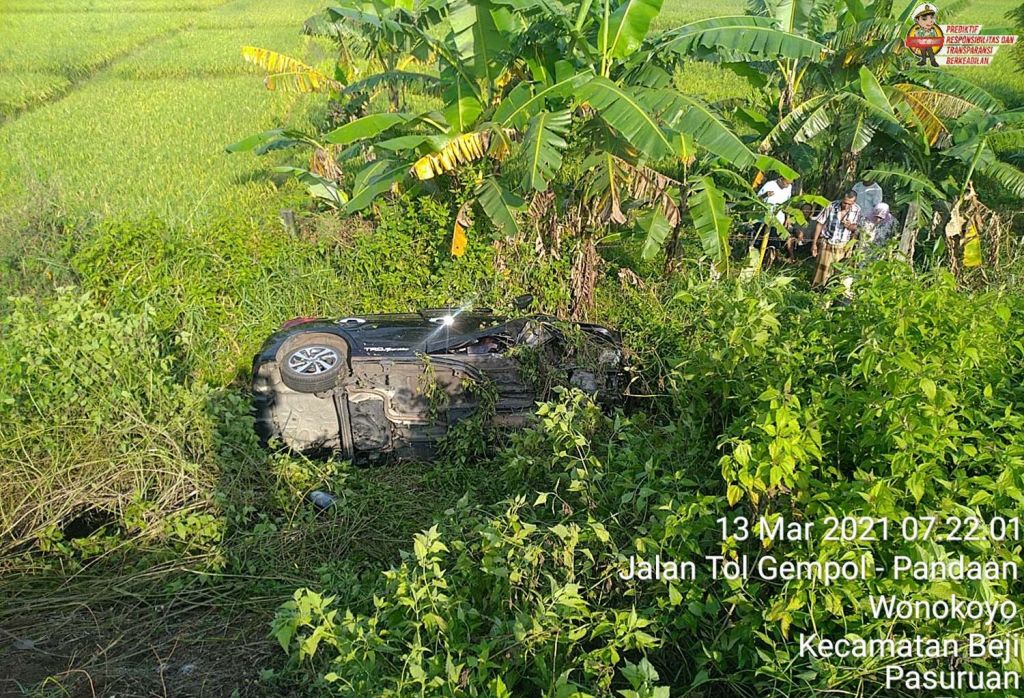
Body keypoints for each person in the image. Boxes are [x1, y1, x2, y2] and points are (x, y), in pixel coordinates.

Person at [812, 191, 861, 287]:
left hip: (843, 245)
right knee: (822, 271)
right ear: (842, 199)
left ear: (854, 202)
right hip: (828, 242)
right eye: (844, 203)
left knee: (839, 271)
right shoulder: (831, 206)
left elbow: (857, 228)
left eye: (849, 204)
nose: (846, 206)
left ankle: (833, 291)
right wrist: (814, 244)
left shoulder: (857, 210)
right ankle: (818, 289)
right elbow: (820, 223)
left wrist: (849, 226)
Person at [907, 3, 943, 68]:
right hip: (922, 44)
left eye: (931, 18)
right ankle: (923, 60)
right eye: (924, 19)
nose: (930, 21)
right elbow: (917, 36)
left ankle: (933, 61)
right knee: (923, 51)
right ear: (917, 20)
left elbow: (934, 37)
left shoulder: (932, 30)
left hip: (929, 44)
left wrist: (929, 34)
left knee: (930, 51)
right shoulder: (918, 30)